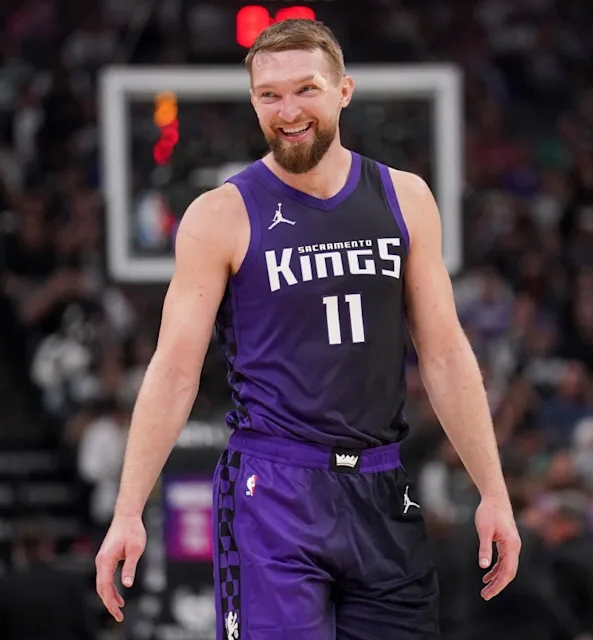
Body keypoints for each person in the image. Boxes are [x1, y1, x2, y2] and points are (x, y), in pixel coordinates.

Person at [94, 18, 520, 639]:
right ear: (253, 102)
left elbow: (447, 354)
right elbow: (174, 369)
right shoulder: (219, 215)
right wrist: (128, 509)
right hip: (274, 490)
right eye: (270, 95)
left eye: (306, 90)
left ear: (343, 90)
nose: (288, 110)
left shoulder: (405, 197)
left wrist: (493, 491)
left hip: (380, 482)